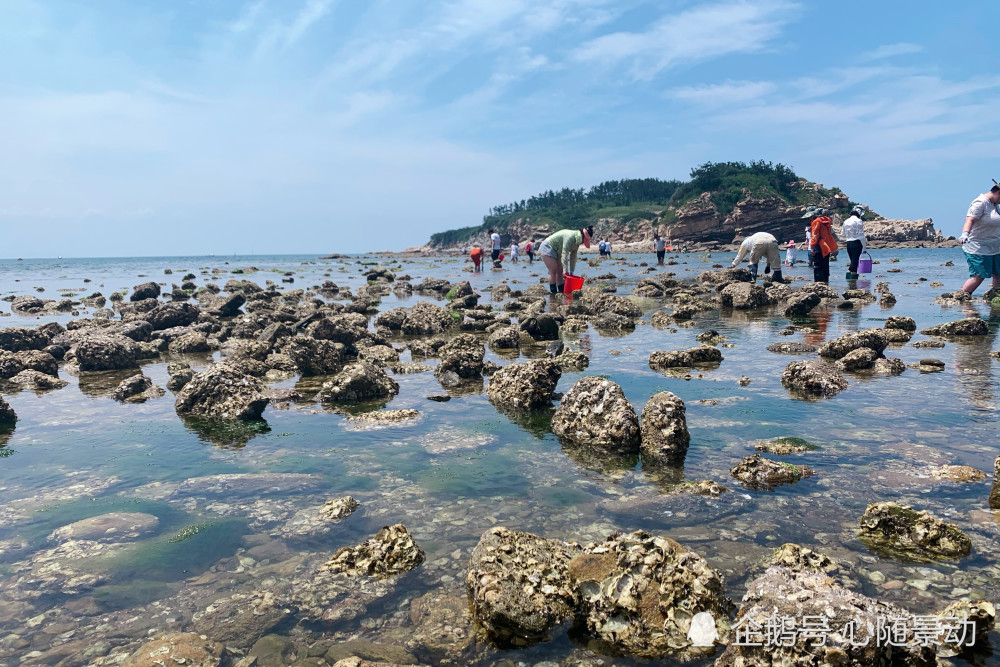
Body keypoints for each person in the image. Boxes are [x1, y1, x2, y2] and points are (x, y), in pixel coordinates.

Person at [959, 180, 1000, 295]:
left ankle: (995, 296)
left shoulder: (995, 204)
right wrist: (965, 233)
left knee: (998, 273)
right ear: (998, 193)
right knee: (979, 275)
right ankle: (963, 296)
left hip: (995, 247)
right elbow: (970, 220)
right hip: (978, 246)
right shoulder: (980, 202)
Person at [538, 225, 593, 294]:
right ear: (582, 237)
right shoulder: (570, 236)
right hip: (548, 247)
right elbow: (565, 253)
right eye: (584, 241)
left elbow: (573, 256)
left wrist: (571, 272)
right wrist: (565, 270)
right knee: (553, 270)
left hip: (557, 251)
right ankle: (553, 293)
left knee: (560, 271)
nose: (582, 243)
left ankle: (561, 291)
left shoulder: (576, 242)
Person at [806, 208, 837, 283]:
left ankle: (818, 283)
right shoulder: (826, 221)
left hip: (818, 246)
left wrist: (812, 247)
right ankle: (826, 282)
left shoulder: (816, 222)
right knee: (825, 265)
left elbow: (815, 235)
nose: (810, 218)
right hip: (827, 246)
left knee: (817, 265)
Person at [841, 205, 867, 279]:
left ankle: (850, 283)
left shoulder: (846, 221)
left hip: (848, 243)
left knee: (853, 261)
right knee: (854, 263)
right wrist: (864, 248)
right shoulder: (858, 221)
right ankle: (853, 283)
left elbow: (842, 234)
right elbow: (861, 236)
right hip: (856, 243)